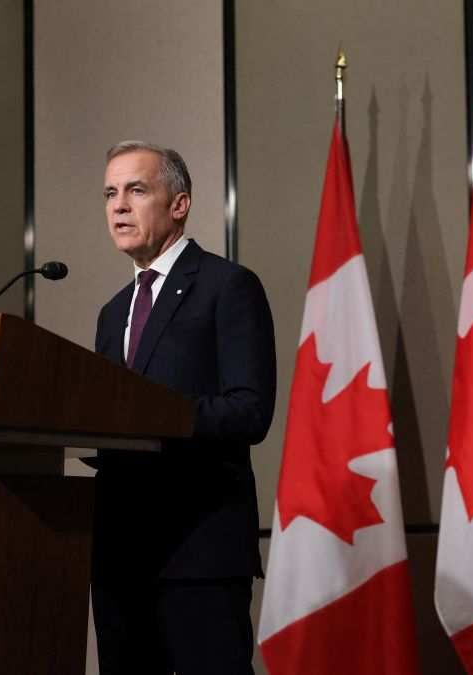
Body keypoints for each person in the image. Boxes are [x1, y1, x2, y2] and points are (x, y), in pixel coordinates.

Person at [90, 140, 276, 674]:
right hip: (121, 555)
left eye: (136, 190)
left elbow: (250, 410)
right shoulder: (112, 313)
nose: (119, 205)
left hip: (199, 551)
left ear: (179, 204)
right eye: (110, 193)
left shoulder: (228, 287)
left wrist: (157, 416)